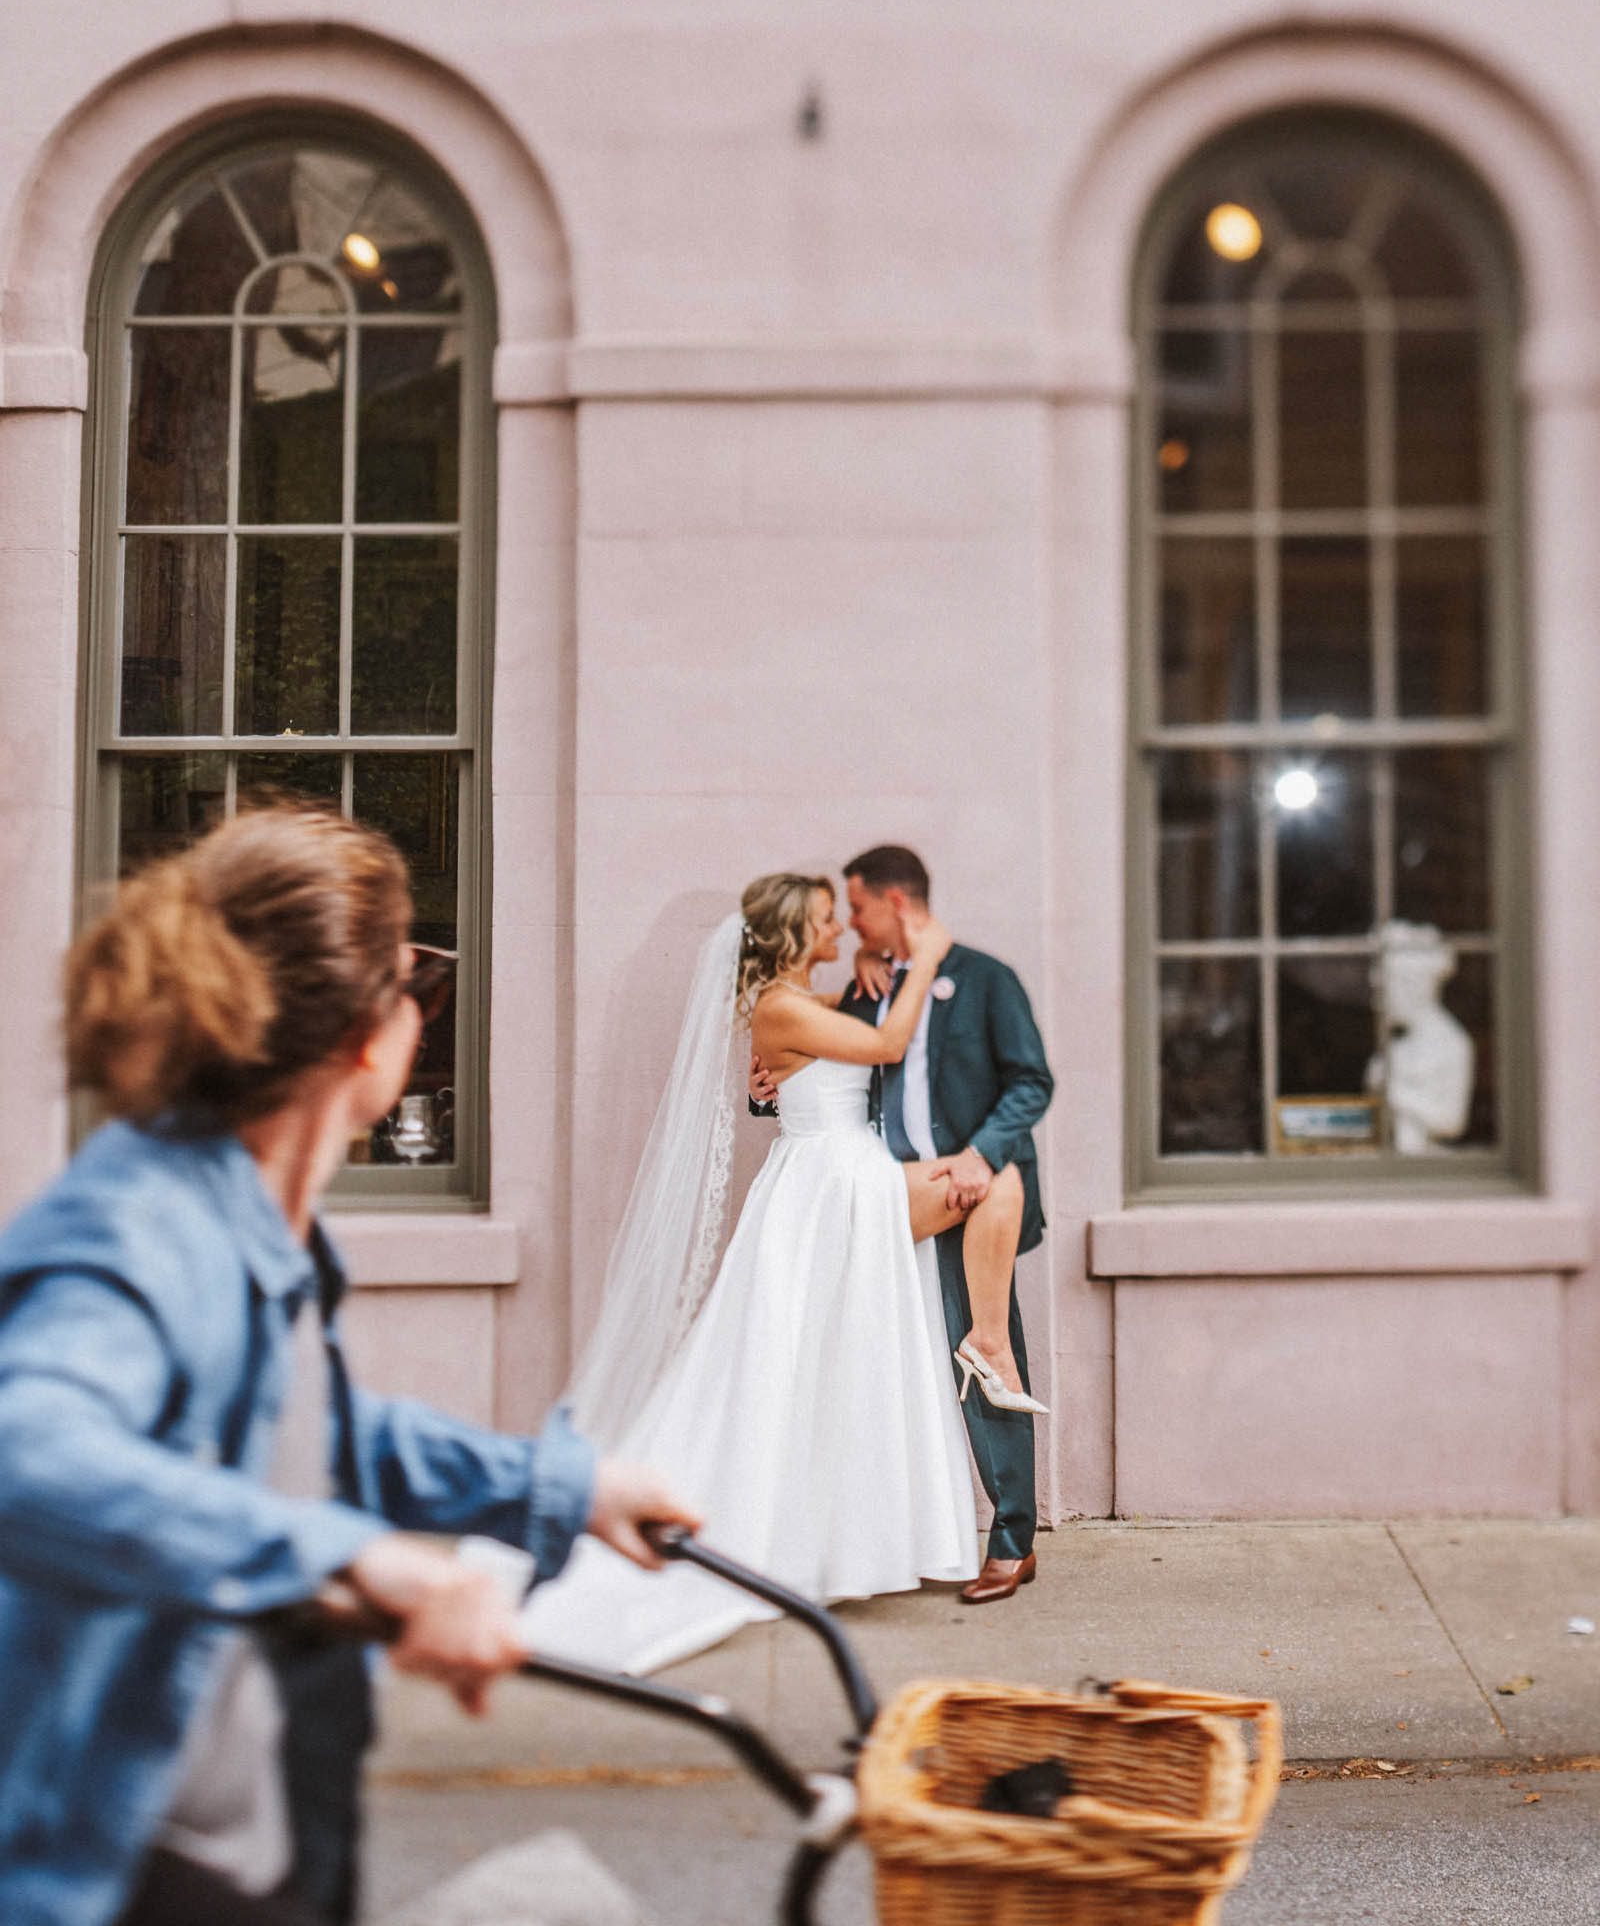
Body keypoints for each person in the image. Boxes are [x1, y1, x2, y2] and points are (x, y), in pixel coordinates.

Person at [0, 805, 696, 1926]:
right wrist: (375, 1562)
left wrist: (559, 1485)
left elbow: (311, 1434)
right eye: (415, 978)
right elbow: (28, 1458)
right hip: (133, 1849)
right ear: (369, 1036)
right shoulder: (135, 1228)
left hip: (275, 1774)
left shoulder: (262, 1217)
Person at [521, 872, 981, 1674]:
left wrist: (864, 985)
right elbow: (882, 1049)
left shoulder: (805, 1000)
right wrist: (922, 959)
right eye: (826, 919)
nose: (841, 926)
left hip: (841, 1178)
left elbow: (821, 1065)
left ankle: (848, 1535)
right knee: (800, 1360)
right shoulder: (777, 1004)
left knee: (839, 1358)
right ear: (797, 933)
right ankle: (981, 1362)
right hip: (826, 1186)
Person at [816, 845, 1053, 1606]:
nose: (853, 924)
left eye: (858, 908)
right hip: (889, 1201)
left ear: (895, 901)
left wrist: (983, 1156)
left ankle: (1014, 1542)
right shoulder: (870, 988)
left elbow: (1030, 1082)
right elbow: (822, 1078)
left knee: (985, 1358)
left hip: (965, 1201)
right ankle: (897, 1535)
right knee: (889, 1372)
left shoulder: (986, 979)